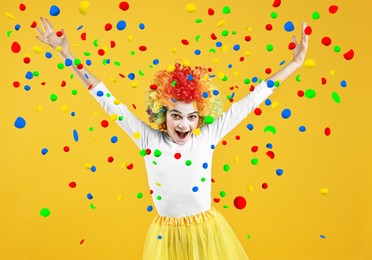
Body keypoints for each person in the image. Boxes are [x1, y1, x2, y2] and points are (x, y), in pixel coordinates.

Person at [36, 17, 308, 259]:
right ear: (162, 113)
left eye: (191, 117)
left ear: (200, 117)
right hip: (165, 239)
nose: (184, 124)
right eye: (176, 115)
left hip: (207, 234)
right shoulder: (148, 140)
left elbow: (253, 99)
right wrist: (67, 55)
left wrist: (294, 64)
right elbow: (105, 98)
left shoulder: (208, 136)